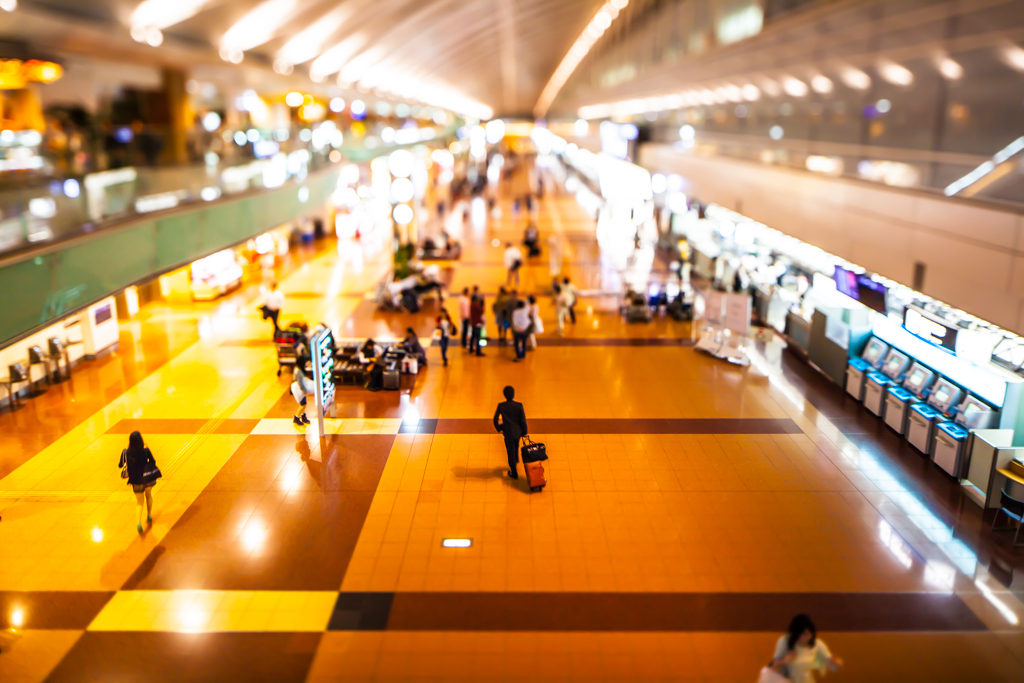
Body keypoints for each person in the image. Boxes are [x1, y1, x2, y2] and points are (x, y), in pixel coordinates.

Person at [769, 614, 843, 683]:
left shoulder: (816, 643)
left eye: (807, 633)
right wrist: (784, 661)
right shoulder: (784, 641)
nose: (804, 637)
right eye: (801, 634)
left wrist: (836, 663)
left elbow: (832, 666)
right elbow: (772, 667)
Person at [123, 431, 158, 534]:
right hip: (147, 478)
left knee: (139, 503)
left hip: (136, 480)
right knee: (149, 496)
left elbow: (126, 466)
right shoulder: (145, 451)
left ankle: (138, 523)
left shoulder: (128, 452)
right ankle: (149, 515)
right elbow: (153, 462)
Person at [493, 385, 528, 480]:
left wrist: (499, 429)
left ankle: (514, 472)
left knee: (510, 451)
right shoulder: (519, 405)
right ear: (513, 394)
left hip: (508, 432)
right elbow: (523, 420)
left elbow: (495, 419)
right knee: (516, 446)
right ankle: (515, 460)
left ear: (504, 395)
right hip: (518, 432)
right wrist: (525, 432)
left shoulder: (501, 406)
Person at [290, 364, 315, 428]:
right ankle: (296, 418)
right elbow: (300, 382)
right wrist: (304, 390)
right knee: (303, 405)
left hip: (300, 390)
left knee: (303, 404)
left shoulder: (297, 369)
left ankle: (303, 416)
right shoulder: (298, 371)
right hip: (299, 390)